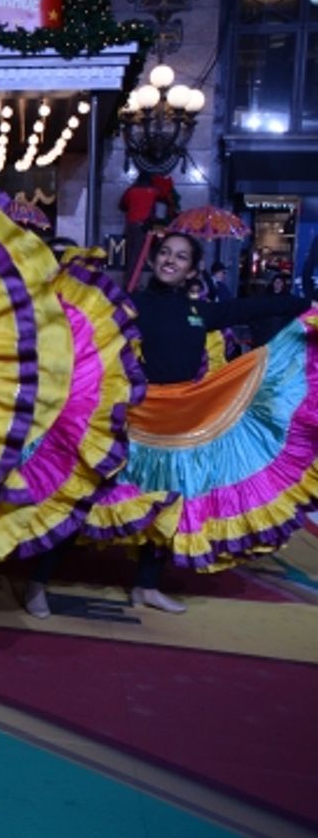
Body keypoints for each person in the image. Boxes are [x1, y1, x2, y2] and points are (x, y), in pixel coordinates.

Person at [38, 232, 314, 615]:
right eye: (165, 253)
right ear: (152, 261)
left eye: (181, 257)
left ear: (192, 269)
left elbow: (256, 308)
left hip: (180, 425)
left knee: (171, 504)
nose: (170, 260)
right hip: (131, 419)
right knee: (88, 498)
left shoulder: (199, 312)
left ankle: (146, 587)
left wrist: (306, 303)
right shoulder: (131, 304)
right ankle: (39, 581)